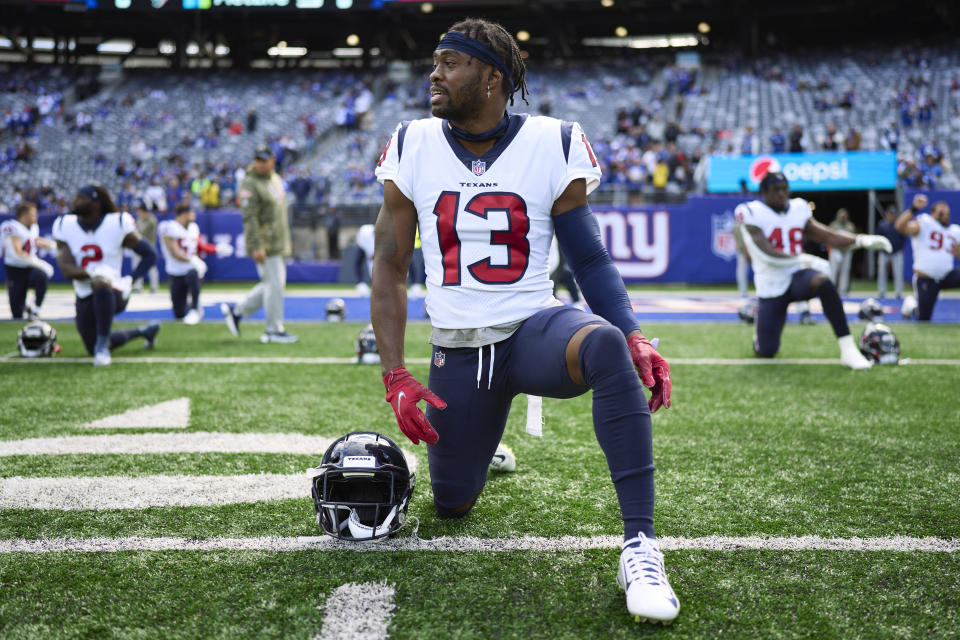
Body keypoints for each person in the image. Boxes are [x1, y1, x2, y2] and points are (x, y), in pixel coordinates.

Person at [371, 18, 677, 624]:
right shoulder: (413, 141)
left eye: (449, 63)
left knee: (608, 345)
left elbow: (588, 257)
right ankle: (482, 445)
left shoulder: (552, 140)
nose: (433, 73)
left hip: (535, 329)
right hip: (458, 348)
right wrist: (395, 375)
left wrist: (635, 332)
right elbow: (390, 265)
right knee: (452, 504)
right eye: (434, 62)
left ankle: (640, 545)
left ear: (492, 77)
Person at [735, 173, 892, 369]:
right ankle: (760, 333)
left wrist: (860, 240)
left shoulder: (798, 208)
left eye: (785, 189)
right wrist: (805, 258)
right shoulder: (750, 212)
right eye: (776, 190)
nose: (782, 194)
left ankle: (848, 349)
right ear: (764, 192)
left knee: (823, 282)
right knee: (767, 351)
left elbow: (827, 235)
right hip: (770, 283)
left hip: (796, 277)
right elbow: (765, 253)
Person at [53, 185, 161, 366]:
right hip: (84, 293)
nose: (75, 201)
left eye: (81, 198)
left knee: (101, 283)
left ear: (96, 203)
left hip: (113, 291)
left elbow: (150, 254)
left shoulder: (116, 222)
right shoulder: (65, 224)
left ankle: (102, 348)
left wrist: (130, 280)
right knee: (90, 346)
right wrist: (94, 272)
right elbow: (67, 269)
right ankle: (144, 331)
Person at [220, 146, 297, 343]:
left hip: (278, 240)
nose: (260, 164)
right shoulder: (250, 183)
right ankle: (273, 330)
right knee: (275, 285)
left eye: (264, 160)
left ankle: (237, 311)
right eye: (257, 160)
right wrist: (256, 245)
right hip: (265, 242)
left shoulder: (275, 178)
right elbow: (250, 218)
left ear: (272, 160)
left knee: (272, 285)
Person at [894, 194, 960, 321]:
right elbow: (900, 227)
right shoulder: (924, 222)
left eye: (947, 213)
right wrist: (913, 209)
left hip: (947, 275)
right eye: (941, 213)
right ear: (933, 213)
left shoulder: (955, 230)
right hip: (927, 278)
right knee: (924, 319)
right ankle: (912, 307)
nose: (945, 216)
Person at [159, 202, 223, 324]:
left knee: (193, 274)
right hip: (175, 272)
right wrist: (193, 260)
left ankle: (195, 308)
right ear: (184, 214)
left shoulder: (194, 227)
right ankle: (190, 307)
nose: (194, 216)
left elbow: (199, 246)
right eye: (192, 213)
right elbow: (175, 254)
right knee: (179, 314)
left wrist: (217, 249)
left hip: (191, 270)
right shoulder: (169, 227)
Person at [2, 202, 56, 319]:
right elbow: (17, 253)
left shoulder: (33, 228)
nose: (36, 217)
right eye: (33, 214)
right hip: (15, 270)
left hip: (29, 269)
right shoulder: (12, 227)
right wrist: (39, 263)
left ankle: (35, 309)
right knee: (17, 314)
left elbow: (34, 241)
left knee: (41, 277)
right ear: (24, 215)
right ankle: (23, 307)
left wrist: (53, 245)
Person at [876, 205, 907, 299]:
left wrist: (899, 248)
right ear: (887, 214)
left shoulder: (899, 225)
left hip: (896, 252)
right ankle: (881, 291)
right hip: (884, 252)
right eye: (890, 214)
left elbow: (903, 238)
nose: (892, 216)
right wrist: (881, 249)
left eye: (894, 214)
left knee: (898, 273)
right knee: (882, 272)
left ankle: (898, 292)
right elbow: (878, 238)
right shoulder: (882, 225)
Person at [131, 199, 159, 293]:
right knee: (137, 267)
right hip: (138, 247)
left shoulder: (151, 220)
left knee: (151, 267)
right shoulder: (139, 220)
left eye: (139, 211)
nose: (138, 213)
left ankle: (154, 287)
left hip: (149, 247)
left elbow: (141, 232)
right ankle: (137, 286)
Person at [827, 208, 856, 295]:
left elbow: (853, 238)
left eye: (845, 216)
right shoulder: (833, 225)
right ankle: (831, 289)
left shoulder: (850, 226)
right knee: (833, 271)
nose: (843, 218)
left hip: (846, 251)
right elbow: (828, 237)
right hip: (835, 251)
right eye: (842, 216)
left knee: (845, 271)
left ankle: (843, 291)